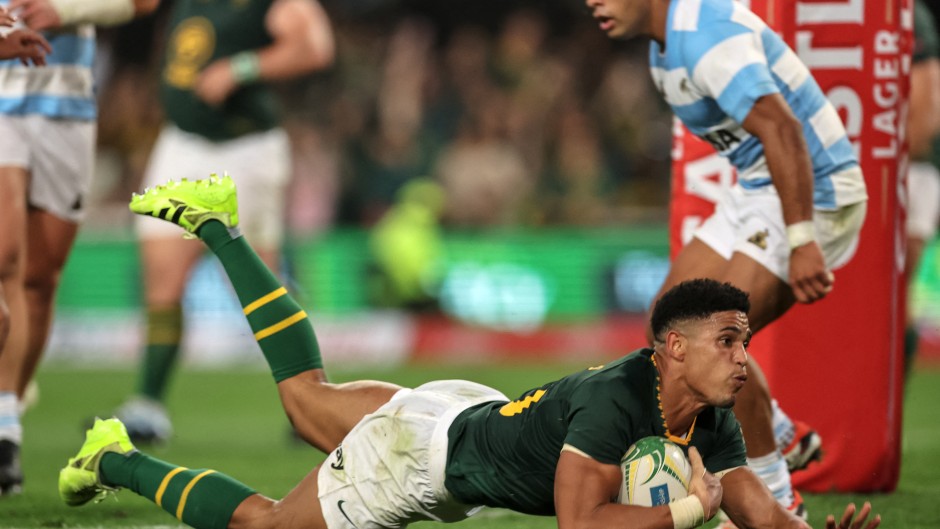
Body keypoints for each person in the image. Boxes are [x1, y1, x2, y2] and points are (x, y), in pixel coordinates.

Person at [58, 176, 881, 529]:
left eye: (743, 341)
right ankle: (116, 456)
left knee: (308, 395)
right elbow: (580, 521)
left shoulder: (710, 414)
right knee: (270, 519)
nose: (746, 358)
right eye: (729, 341)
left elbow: (758, 510)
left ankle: (218, 227)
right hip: (416, 454)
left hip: (460, 411)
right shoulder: (614, 403)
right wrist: (689, 510)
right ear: (670, 348)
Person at [583, 0, 869, 522]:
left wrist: (803, 237)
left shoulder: (706, 36)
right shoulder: (662, 52)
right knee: (665, 326)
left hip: (817, 193)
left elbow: (783, 129)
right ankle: (781, 429)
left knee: (713, 344)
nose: (592, 3)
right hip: (758, 189)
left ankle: (780, 494)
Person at [111, 0, 336, 445]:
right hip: (181, 142)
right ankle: (147, 405)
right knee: (161, 279)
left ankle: (316, 403)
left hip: (244, 148)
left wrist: (242, 67)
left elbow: (314, 46)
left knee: (261, 282)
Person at [0, 0, 159, 496]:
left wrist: (64, 9)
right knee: (5, 255)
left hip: (66, 108)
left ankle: (9, 411)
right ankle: (4, 427)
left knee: (40, 281)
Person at [904, 0, 940, 378]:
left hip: (908, 171)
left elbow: (923, 126)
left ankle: (885, 413)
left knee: (892, 302)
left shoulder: (906, 13)